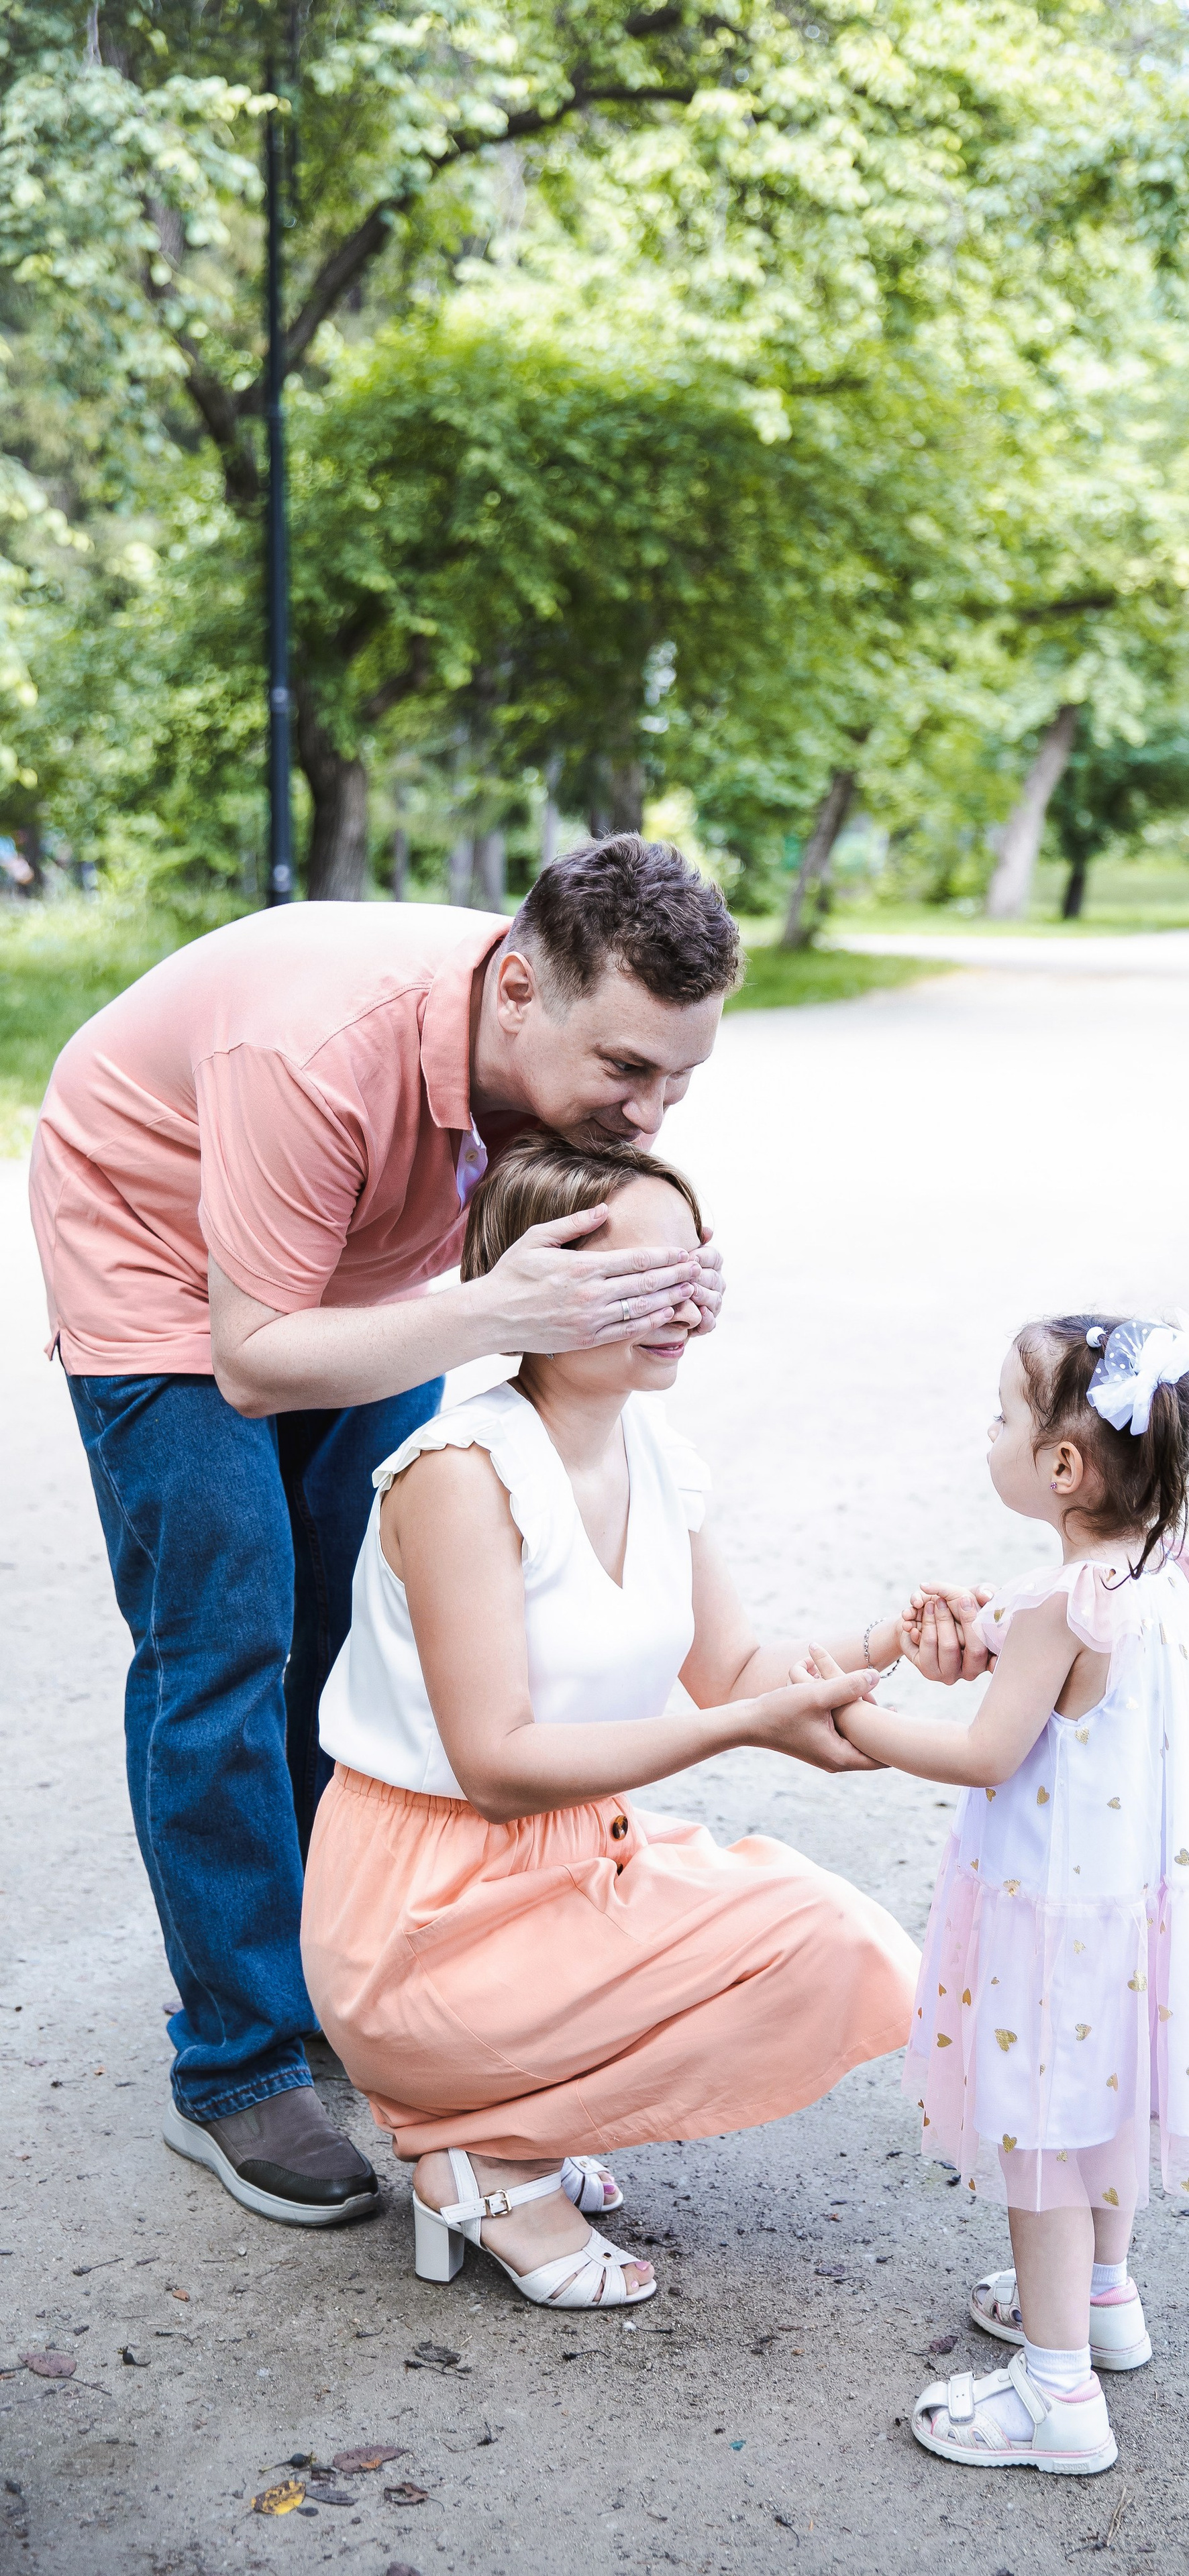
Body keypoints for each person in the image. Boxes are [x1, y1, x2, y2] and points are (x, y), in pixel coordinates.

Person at [28, 837, 740, 2224]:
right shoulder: (313, 1051)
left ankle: (345, 1982)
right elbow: (253, 1361)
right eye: (626, 1073)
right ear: (518, 989)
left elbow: (570, 1240)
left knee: (368, 1623)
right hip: (168, 1269)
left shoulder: (559, 1045)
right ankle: (235, 2066)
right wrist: (491, 1315)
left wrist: (659, 1291)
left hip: (347, 1258)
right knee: (227, 1638)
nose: (650, 1113)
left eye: (679, 1078)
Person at [299, 1133, 967, 2310]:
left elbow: (740, 1668)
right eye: (633, 1275)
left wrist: (895, 1643)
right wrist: (751, 1726)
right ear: (538, 1282)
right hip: (426, 1906)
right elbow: (498, 1767)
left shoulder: (654, 1449)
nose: (679, 1300)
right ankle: (483, 2151)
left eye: (690, 1268)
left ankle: (508, 2113)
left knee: (838, 1944)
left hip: (570, 1862)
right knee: (803, 1933)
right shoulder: (460, 1472)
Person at [819, 1311, 1189, 2475]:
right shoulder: (1158, 1573)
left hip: (1057, 1927)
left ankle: (1056, 2395)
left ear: (1062, 1466)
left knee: (1041, 2142)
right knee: (1103, 2119)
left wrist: (859, 1719)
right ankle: (1103, 2300)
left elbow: (984, 1755)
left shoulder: (1066, 1608)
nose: (992, 1431)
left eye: (1004, 1417)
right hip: (1137, 1924)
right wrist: (987, 1627)